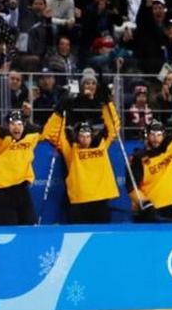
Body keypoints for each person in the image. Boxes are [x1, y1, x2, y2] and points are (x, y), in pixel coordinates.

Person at [42, 91, 120, 224]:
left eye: (87, 135)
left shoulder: (101, 145)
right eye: (81, 136)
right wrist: (59, 112)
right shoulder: (71, 150)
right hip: (79, 202)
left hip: (101, 200)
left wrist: (107, 104)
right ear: (76, 136)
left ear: (92, 136)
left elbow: (114, 128)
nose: (85, 139)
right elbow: (49, 133)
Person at [127, 101, 172, 222]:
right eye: (152, 134)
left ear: (164, 135)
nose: (155, 138)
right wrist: (144, 203)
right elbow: (132, 187)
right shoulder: (138, 158)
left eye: (159, 135)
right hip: (150, 211)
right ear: (147, 136)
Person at [0, 107, 42, 225]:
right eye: (13, 124)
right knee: (7, 229)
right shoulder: (1, 140)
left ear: (24, 125)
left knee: (29, 228)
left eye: (19, 124)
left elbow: (50, 131)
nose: (16, 127)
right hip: (2, 192)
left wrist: (59, 113)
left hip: (22, 190)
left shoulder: (30, 138)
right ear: (8, 126)